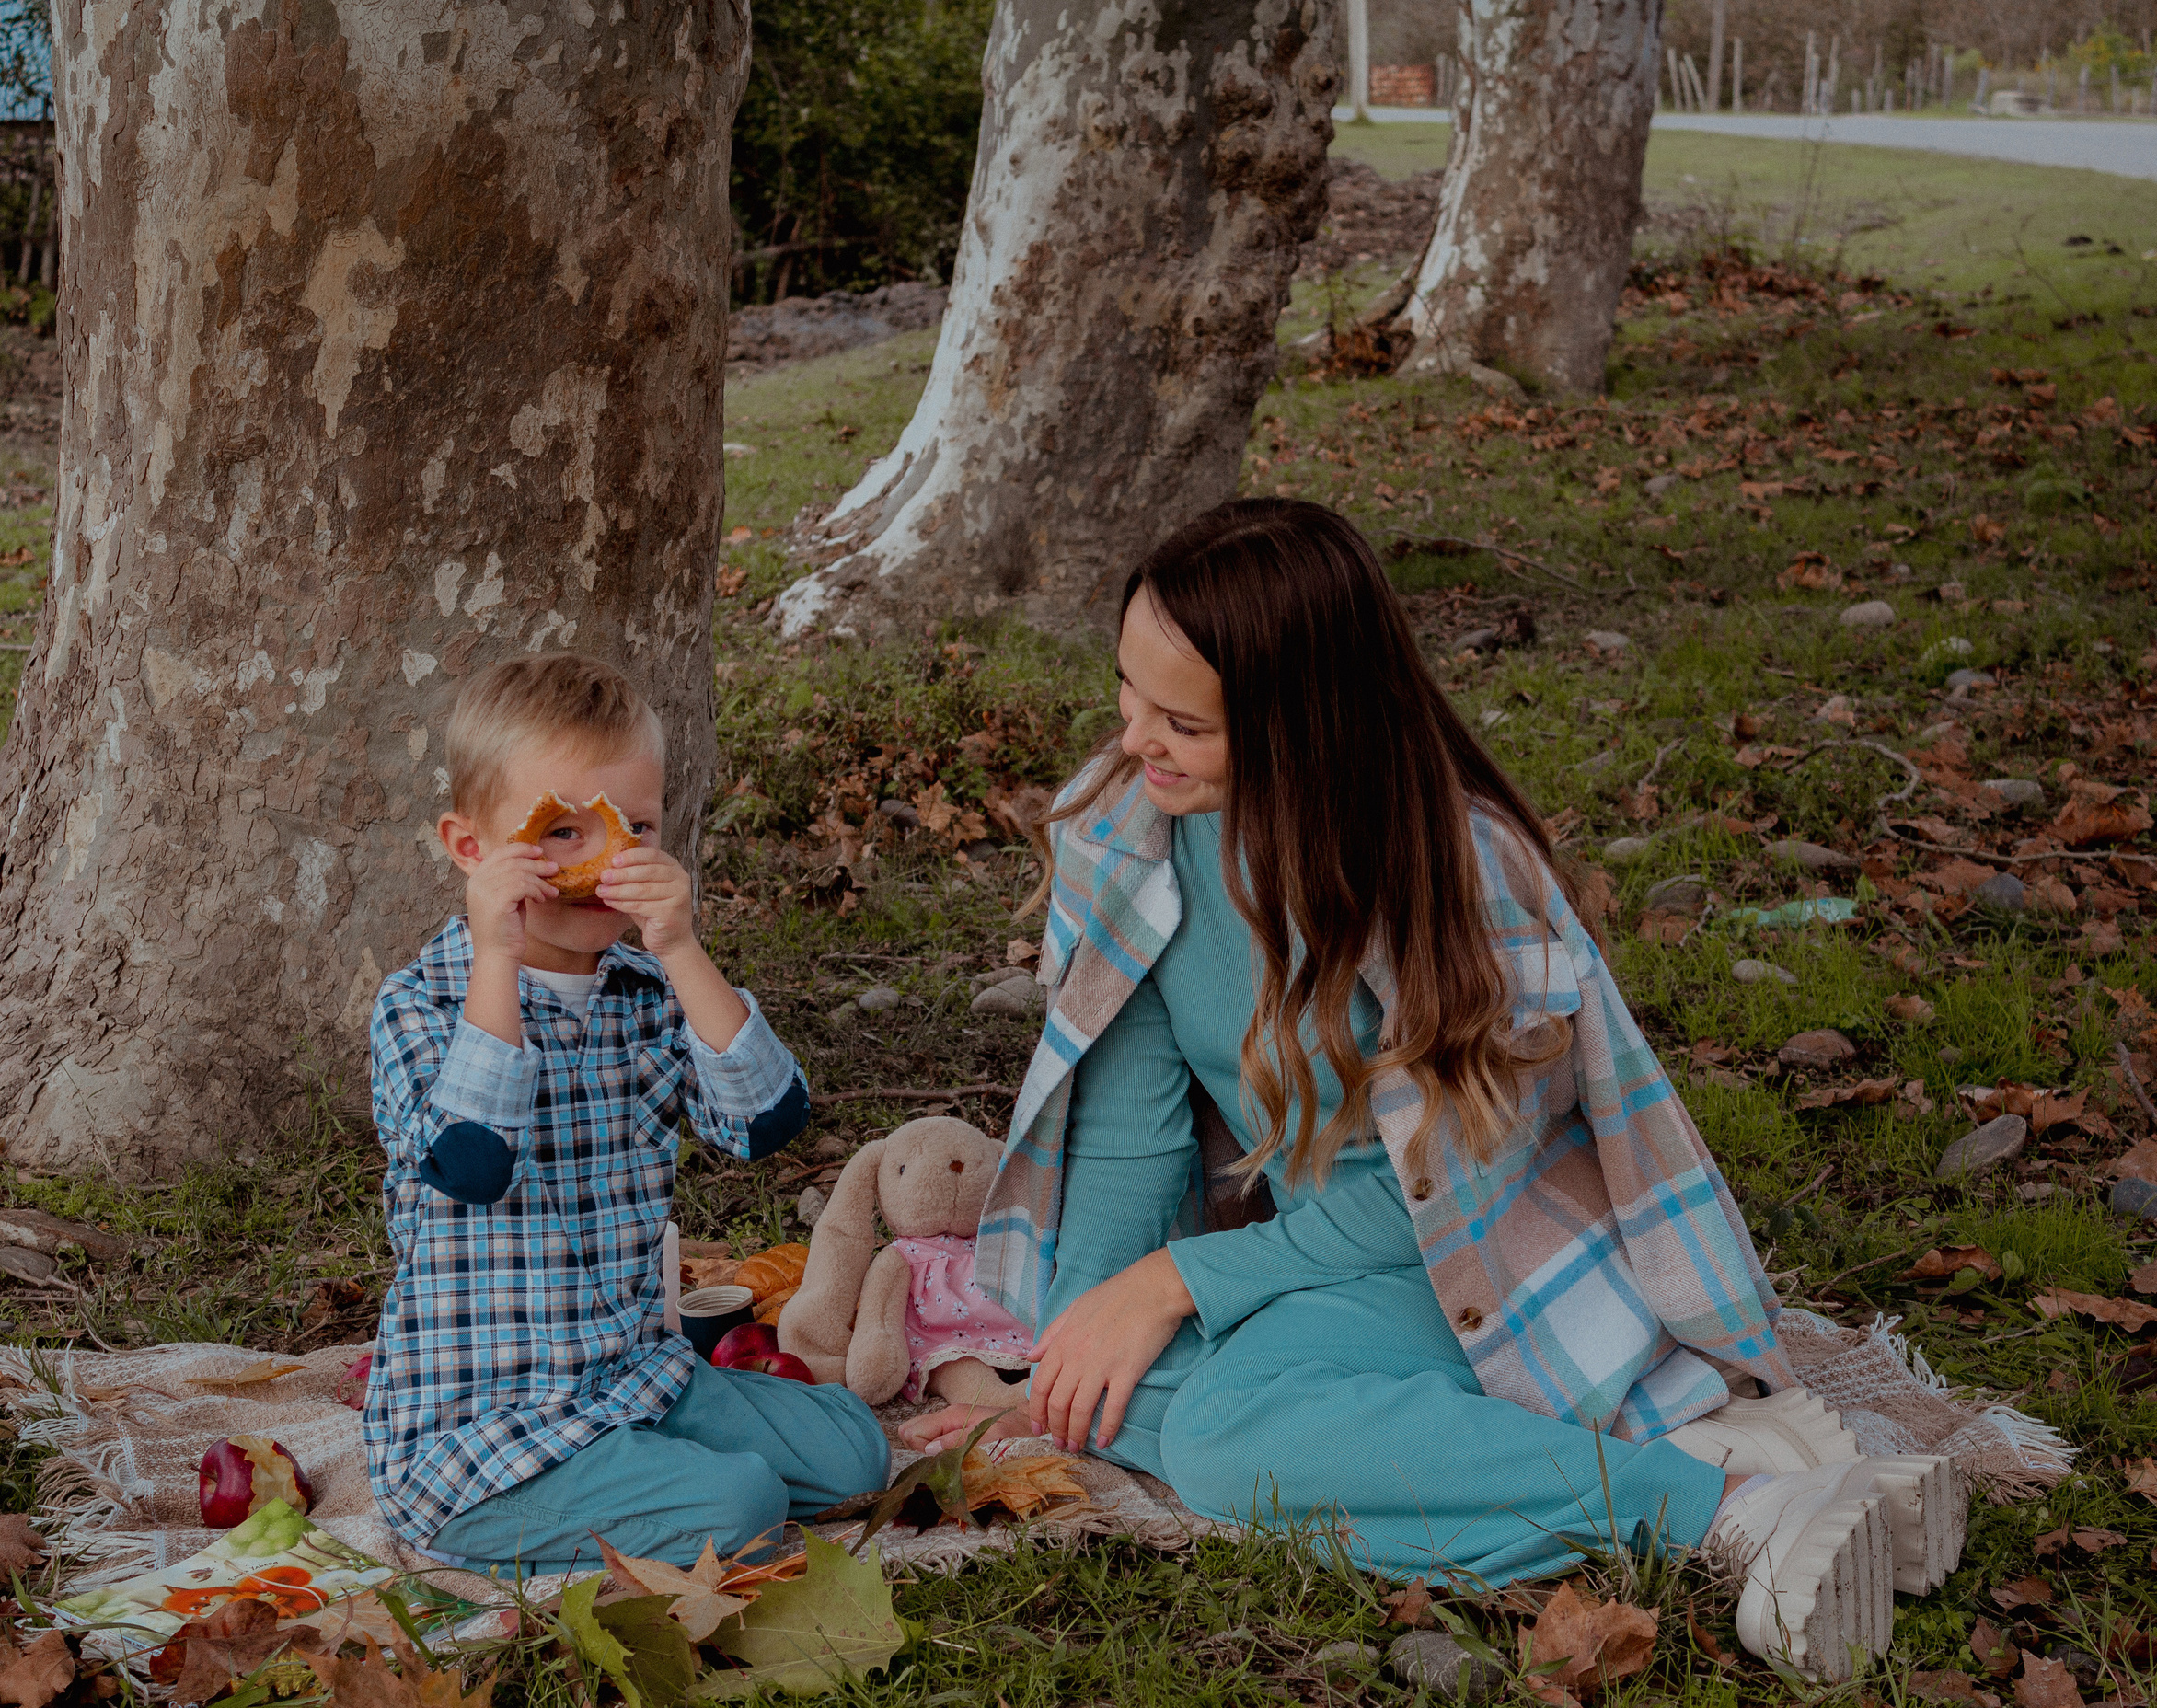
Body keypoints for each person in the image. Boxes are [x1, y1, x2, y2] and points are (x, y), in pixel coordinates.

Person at [904, 502, 1961, 1680]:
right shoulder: (1135, 833)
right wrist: (1065, 1367)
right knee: (1144, 1391)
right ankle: (1776, 1476)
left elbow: (1437, 1198)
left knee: (1212, 1434)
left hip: (1467, 1257)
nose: (1135, 738)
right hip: (1302, 1259)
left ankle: (1725, 1507)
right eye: (1128, 691)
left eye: (1184, 721)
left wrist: (1179, 1278)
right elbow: (1123, 1132)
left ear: (1300, 721)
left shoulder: (1444, 873)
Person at [365, 653, 886, 1572]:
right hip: (480, 1430)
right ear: (471, 848)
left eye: (632, 828)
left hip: (631, 1376)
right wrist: (499, 954)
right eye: (559, 832)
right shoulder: (422, 1006)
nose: (599, 859)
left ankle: (655, 1475)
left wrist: (679, 944)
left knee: (856, 1450)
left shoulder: (644, 991)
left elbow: (768, 1119)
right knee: (746, 1503)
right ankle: (555, 1517)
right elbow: (473, 1160)